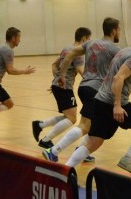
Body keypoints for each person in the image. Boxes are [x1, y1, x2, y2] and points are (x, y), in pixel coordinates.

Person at [61, 26, 131, 174]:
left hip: (99, 101)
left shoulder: (122, 52)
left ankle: (65, 169)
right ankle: (128, 158)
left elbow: (127, 83)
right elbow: (118, 78)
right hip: (113, 104)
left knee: (93, 142)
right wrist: (117, 106)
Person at [42, 17, 121, 162]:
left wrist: (62, 75)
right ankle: (53, 150)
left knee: (93, 123)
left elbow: (70, 54)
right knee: (84, 125)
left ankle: (82, 150)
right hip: (96, 91)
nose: (120, 33)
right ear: (114, 30)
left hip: (84, 87)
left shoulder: (91, 43)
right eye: (119, 30)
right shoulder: (115, 49)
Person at [32, 27, 91, 148]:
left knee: (68, 117)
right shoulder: (78, 51)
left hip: (59, 86)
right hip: (64, 88)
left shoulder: (67, 48)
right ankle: (46, 139)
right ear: (84, 38)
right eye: (89, 40)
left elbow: (54, 64)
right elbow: (81, 71)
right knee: (72, 119)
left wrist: (57, 78)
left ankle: (40, 125)